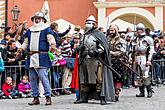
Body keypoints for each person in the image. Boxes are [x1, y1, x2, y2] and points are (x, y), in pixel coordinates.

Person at [74, 15, 115, 105]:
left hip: (96, 60)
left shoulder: (99, 35)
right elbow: (80, 45)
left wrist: (96, 52)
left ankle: (102, 98)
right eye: (86, 22)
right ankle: (84, 97)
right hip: (84, 59)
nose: (87, 25)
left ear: (94, 24)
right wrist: (79, 48)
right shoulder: (84, 35)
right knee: (84, 79)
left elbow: (104, 47)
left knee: (98, 80)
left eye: (89, 23)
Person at [17, 11, 56, 105]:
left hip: (42, 56)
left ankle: (48, 97)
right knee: (33, 78)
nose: (37, 20)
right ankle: (35, 97)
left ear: (42, 19)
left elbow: (51, 38)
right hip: (31, 57)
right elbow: (26, 41)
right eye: (36, 18)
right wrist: (21, 49)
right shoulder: (30, 30)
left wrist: (53, 45)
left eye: (39, 18)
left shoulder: (46, 29)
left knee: (43, 77)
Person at [133, 23, 155, 98]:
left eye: (140, 29)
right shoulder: (135, 39)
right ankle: (141, 92)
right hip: (137, 58)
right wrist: (131, 58)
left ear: (143, 30)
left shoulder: (148, 39)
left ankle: (149, 91)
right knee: (139, 76)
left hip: (144, 57)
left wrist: (149, 60)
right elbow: (132, 50)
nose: (138, 31)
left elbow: (151, 51)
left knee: (145, 75)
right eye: (137, 29)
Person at [107, 24, 127, 101]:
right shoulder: (107, 39)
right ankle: (109, 93)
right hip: (108, 61)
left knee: (117, 78)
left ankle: (116, 93)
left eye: (112, 30)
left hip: (118, 61)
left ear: (116, 30)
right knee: (109, 78)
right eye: (110, 30)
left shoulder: (121, 40)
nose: (111, 32)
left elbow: (122, 51)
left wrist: (112, 53)